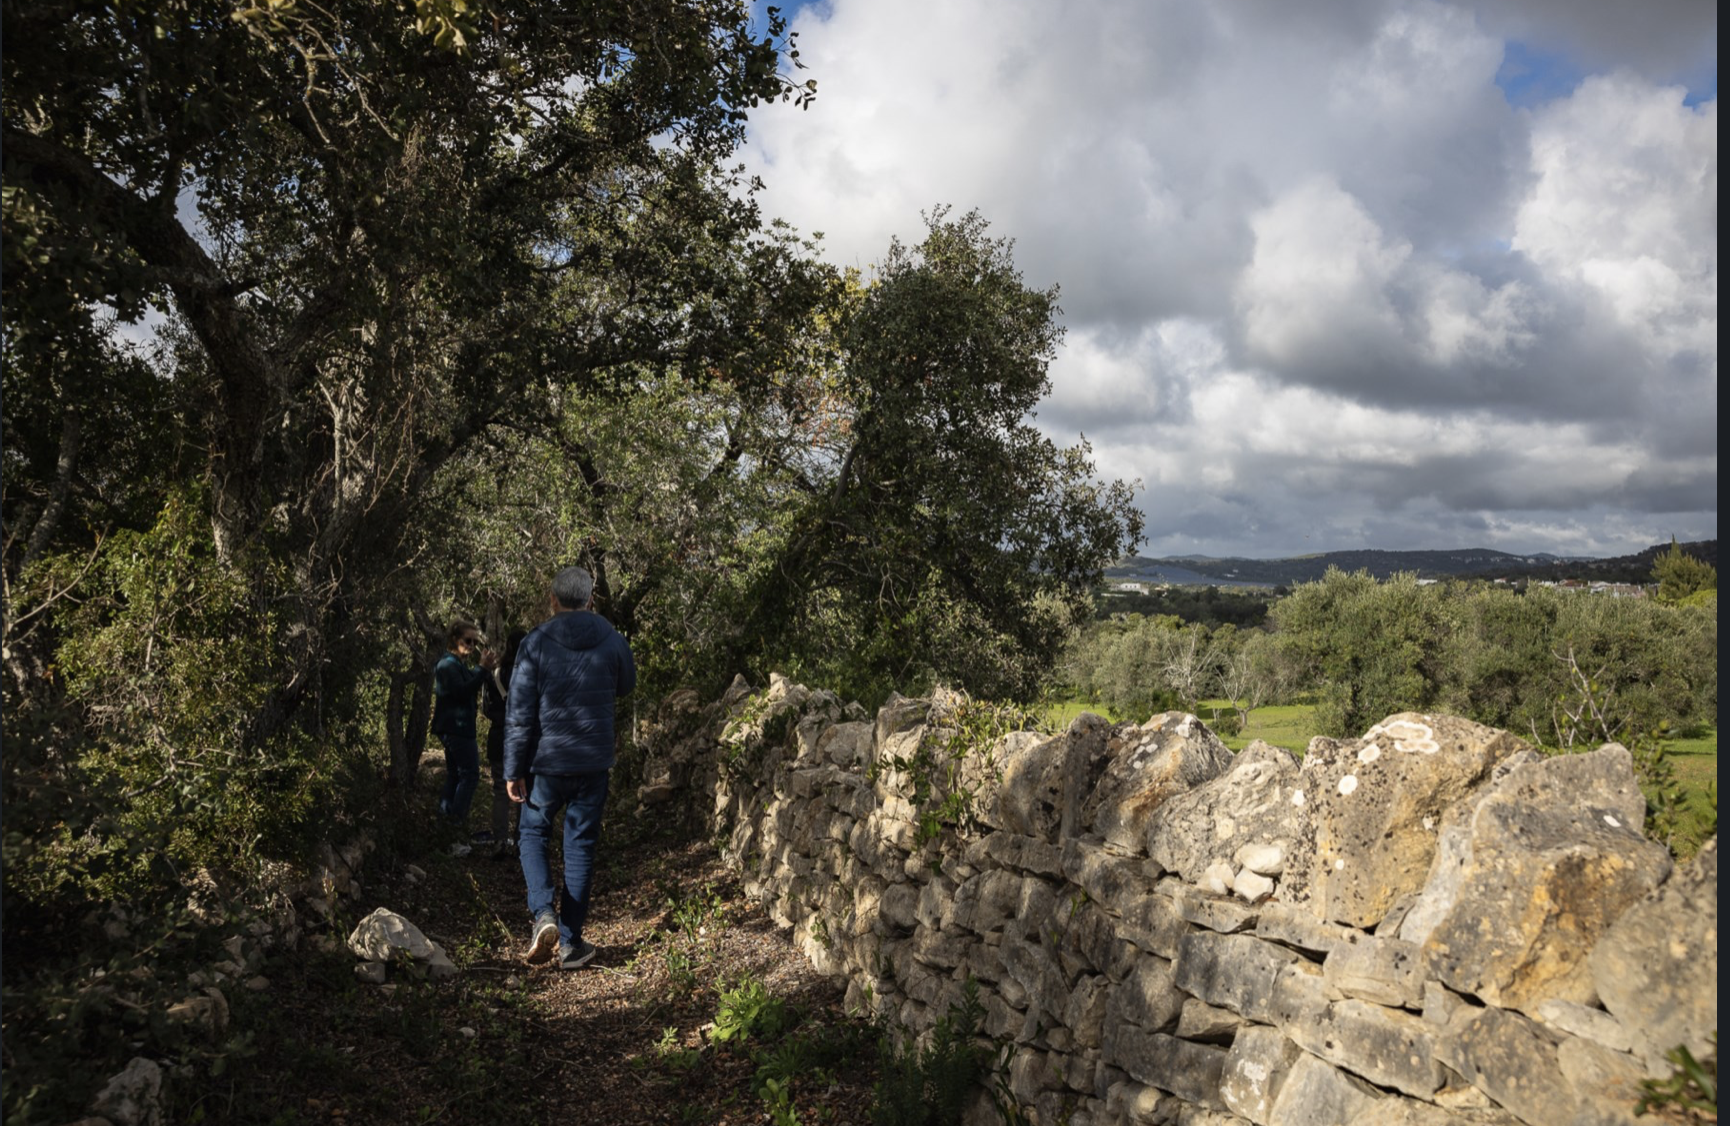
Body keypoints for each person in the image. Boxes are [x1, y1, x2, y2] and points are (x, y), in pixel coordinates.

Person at [505, 566, 636, 970]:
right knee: (579, 846)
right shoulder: (612, 638)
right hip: (593, 762)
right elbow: (626, 685)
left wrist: (513, 769)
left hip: (546, 764)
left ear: (553, 599)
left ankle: (543, 913)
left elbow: (519, 712)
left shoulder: (535, 643)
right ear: (591, 599)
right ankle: (571, 943)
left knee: (532, 832)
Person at [430, 619, 496, 829]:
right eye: (468, 641)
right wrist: (482, 669)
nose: (471, 646)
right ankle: (455, 825)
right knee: (470, 775)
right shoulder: (447, 665)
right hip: (456, 728)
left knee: (456, 775)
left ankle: (445, 824)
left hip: (459, 728)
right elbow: (463, 691)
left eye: (475, 642)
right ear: (454, 639)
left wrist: (484, 669)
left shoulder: (457, 665)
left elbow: (471, 681)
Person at [479, 627, 529, 858]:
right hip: (524, 738)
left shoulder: (496, 673)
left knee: (500, 789)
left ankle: (499, 840)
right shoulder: (529, 672)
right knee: (523, 791)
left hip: (499, 736)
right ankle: (521, 841)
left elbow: (486, 707)